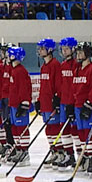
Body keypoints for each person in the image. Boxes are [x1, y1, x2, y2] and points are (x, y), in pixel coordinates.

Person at [73, 42, 92, 176]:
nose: (78, 55)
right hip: (78, 106)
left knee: (90, 133)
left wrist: (89, 103)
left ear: (87, 54)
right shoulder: (77, 70)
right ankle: (84, 157)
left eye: (81, 52)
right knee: (81, 133)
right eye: (77, 52)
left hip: (89, 107)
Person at [36, 38, 64, 167]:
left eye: (42, 48)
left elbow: (58, 84)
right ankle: (53, 151)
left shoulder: (55, 65)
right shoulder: (44, 66)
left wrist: (57, 99)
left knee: (55, 128)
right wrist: (39, 101)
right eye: (40, 49)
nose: (40, 51)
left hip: (52, 102)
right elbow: (43, 86)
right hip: (45, 103)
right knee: (49, 129)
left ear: (50, 50)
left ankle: (60, 152)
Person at [7, 45, 34, 166]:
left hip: (19, 105)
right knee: (15, 128)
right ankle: (18, 150)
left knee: (22, 128)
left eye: (10, 55)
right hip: (13, 104)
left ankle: (24, 152)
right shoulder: (13, 70)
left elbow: (24, 89)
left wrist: (24, 103)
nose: (8, 57)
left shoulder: (20, 71)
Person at [57, 37, 80, 169]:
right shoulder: (63, 65)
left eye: (66, 49)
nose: (64, 51)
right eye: (63, 49)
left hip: (74, 103)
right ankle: (69, 155)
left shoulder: (77, 65)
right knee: (64, 129)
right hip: (64, 103)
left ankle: (79, 156)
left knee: (75, 130)